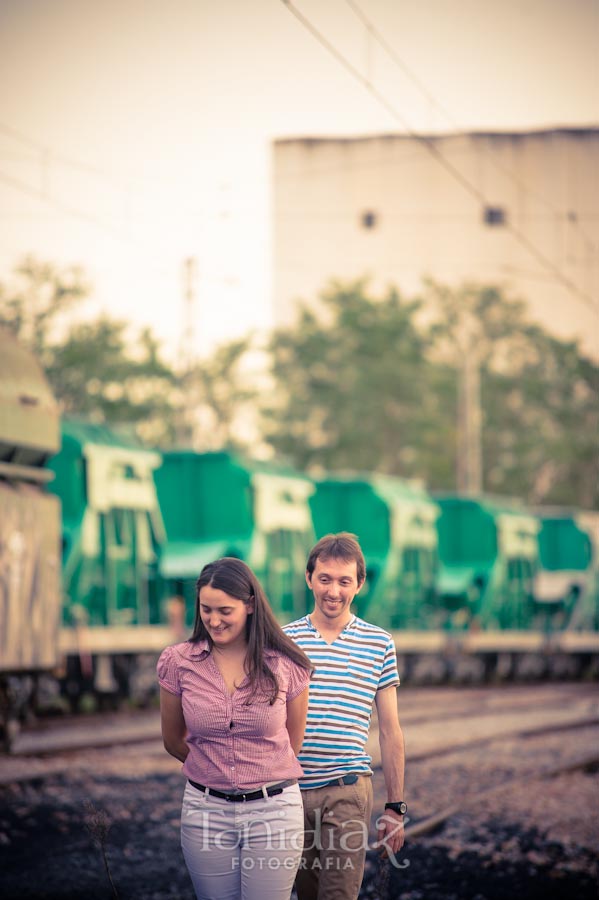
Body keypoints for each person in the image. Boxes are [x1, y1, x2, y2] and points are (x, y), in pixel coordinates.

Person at [158, 557, 313, 900]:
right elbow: (172, 739)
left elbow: (292, 742)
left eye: (225, 610)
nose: (214, 620)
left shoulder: (285, 665)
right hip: (205, 811)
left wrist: (251, 770)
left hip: (274, 811)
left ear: (250, 605)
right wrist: (214, 767)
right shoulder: (177, 661)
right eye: (206, 609)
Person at [283, 533, 406, 900]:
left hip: (347, 792)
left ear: (359, 584)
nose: (333, 591)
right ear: (309, 578)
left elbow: (390, 730)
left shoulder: (379, 643)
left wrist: (395, 806)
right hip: (290, 794)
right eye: (325, 579)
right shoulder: (285, 641)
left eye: (344, 581)